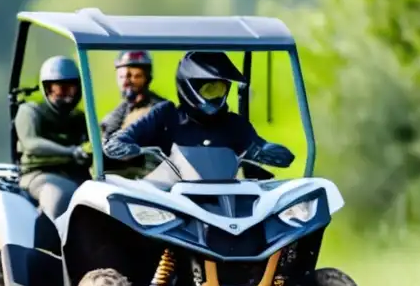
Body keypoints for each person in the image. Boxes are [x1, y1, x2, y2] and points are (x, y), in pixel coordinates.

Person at [103, 50, 294, 170]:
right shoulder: (165, 114)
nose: (215, 97)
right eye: (208, 89)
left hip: (225, 202)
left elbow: (262, 145)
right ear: (189, 87)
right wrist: (128, 147)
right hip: (167, 200)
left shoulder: (234, 124)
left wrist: (269, 152)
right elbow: (117, 140)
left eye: (219, 89)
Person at [15, 56, 91, 220]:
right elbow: (31, 144)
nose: (66, 94)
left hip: (76, 174)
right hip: (39, 174)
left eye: (71, 88)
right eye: (60, 89)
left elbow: (91, 145)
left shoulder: (80, 118)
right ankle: (49, 243)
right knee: (60, 196)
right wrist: (71, 152)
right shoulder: (30, 112)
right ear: (47, 89)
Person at [100, 50, 167, 140]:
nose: (126, 82)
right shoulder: (114, 115)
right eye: (122, 76)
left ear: (147, 78)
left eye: (135, 76)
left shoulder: (160, 110)